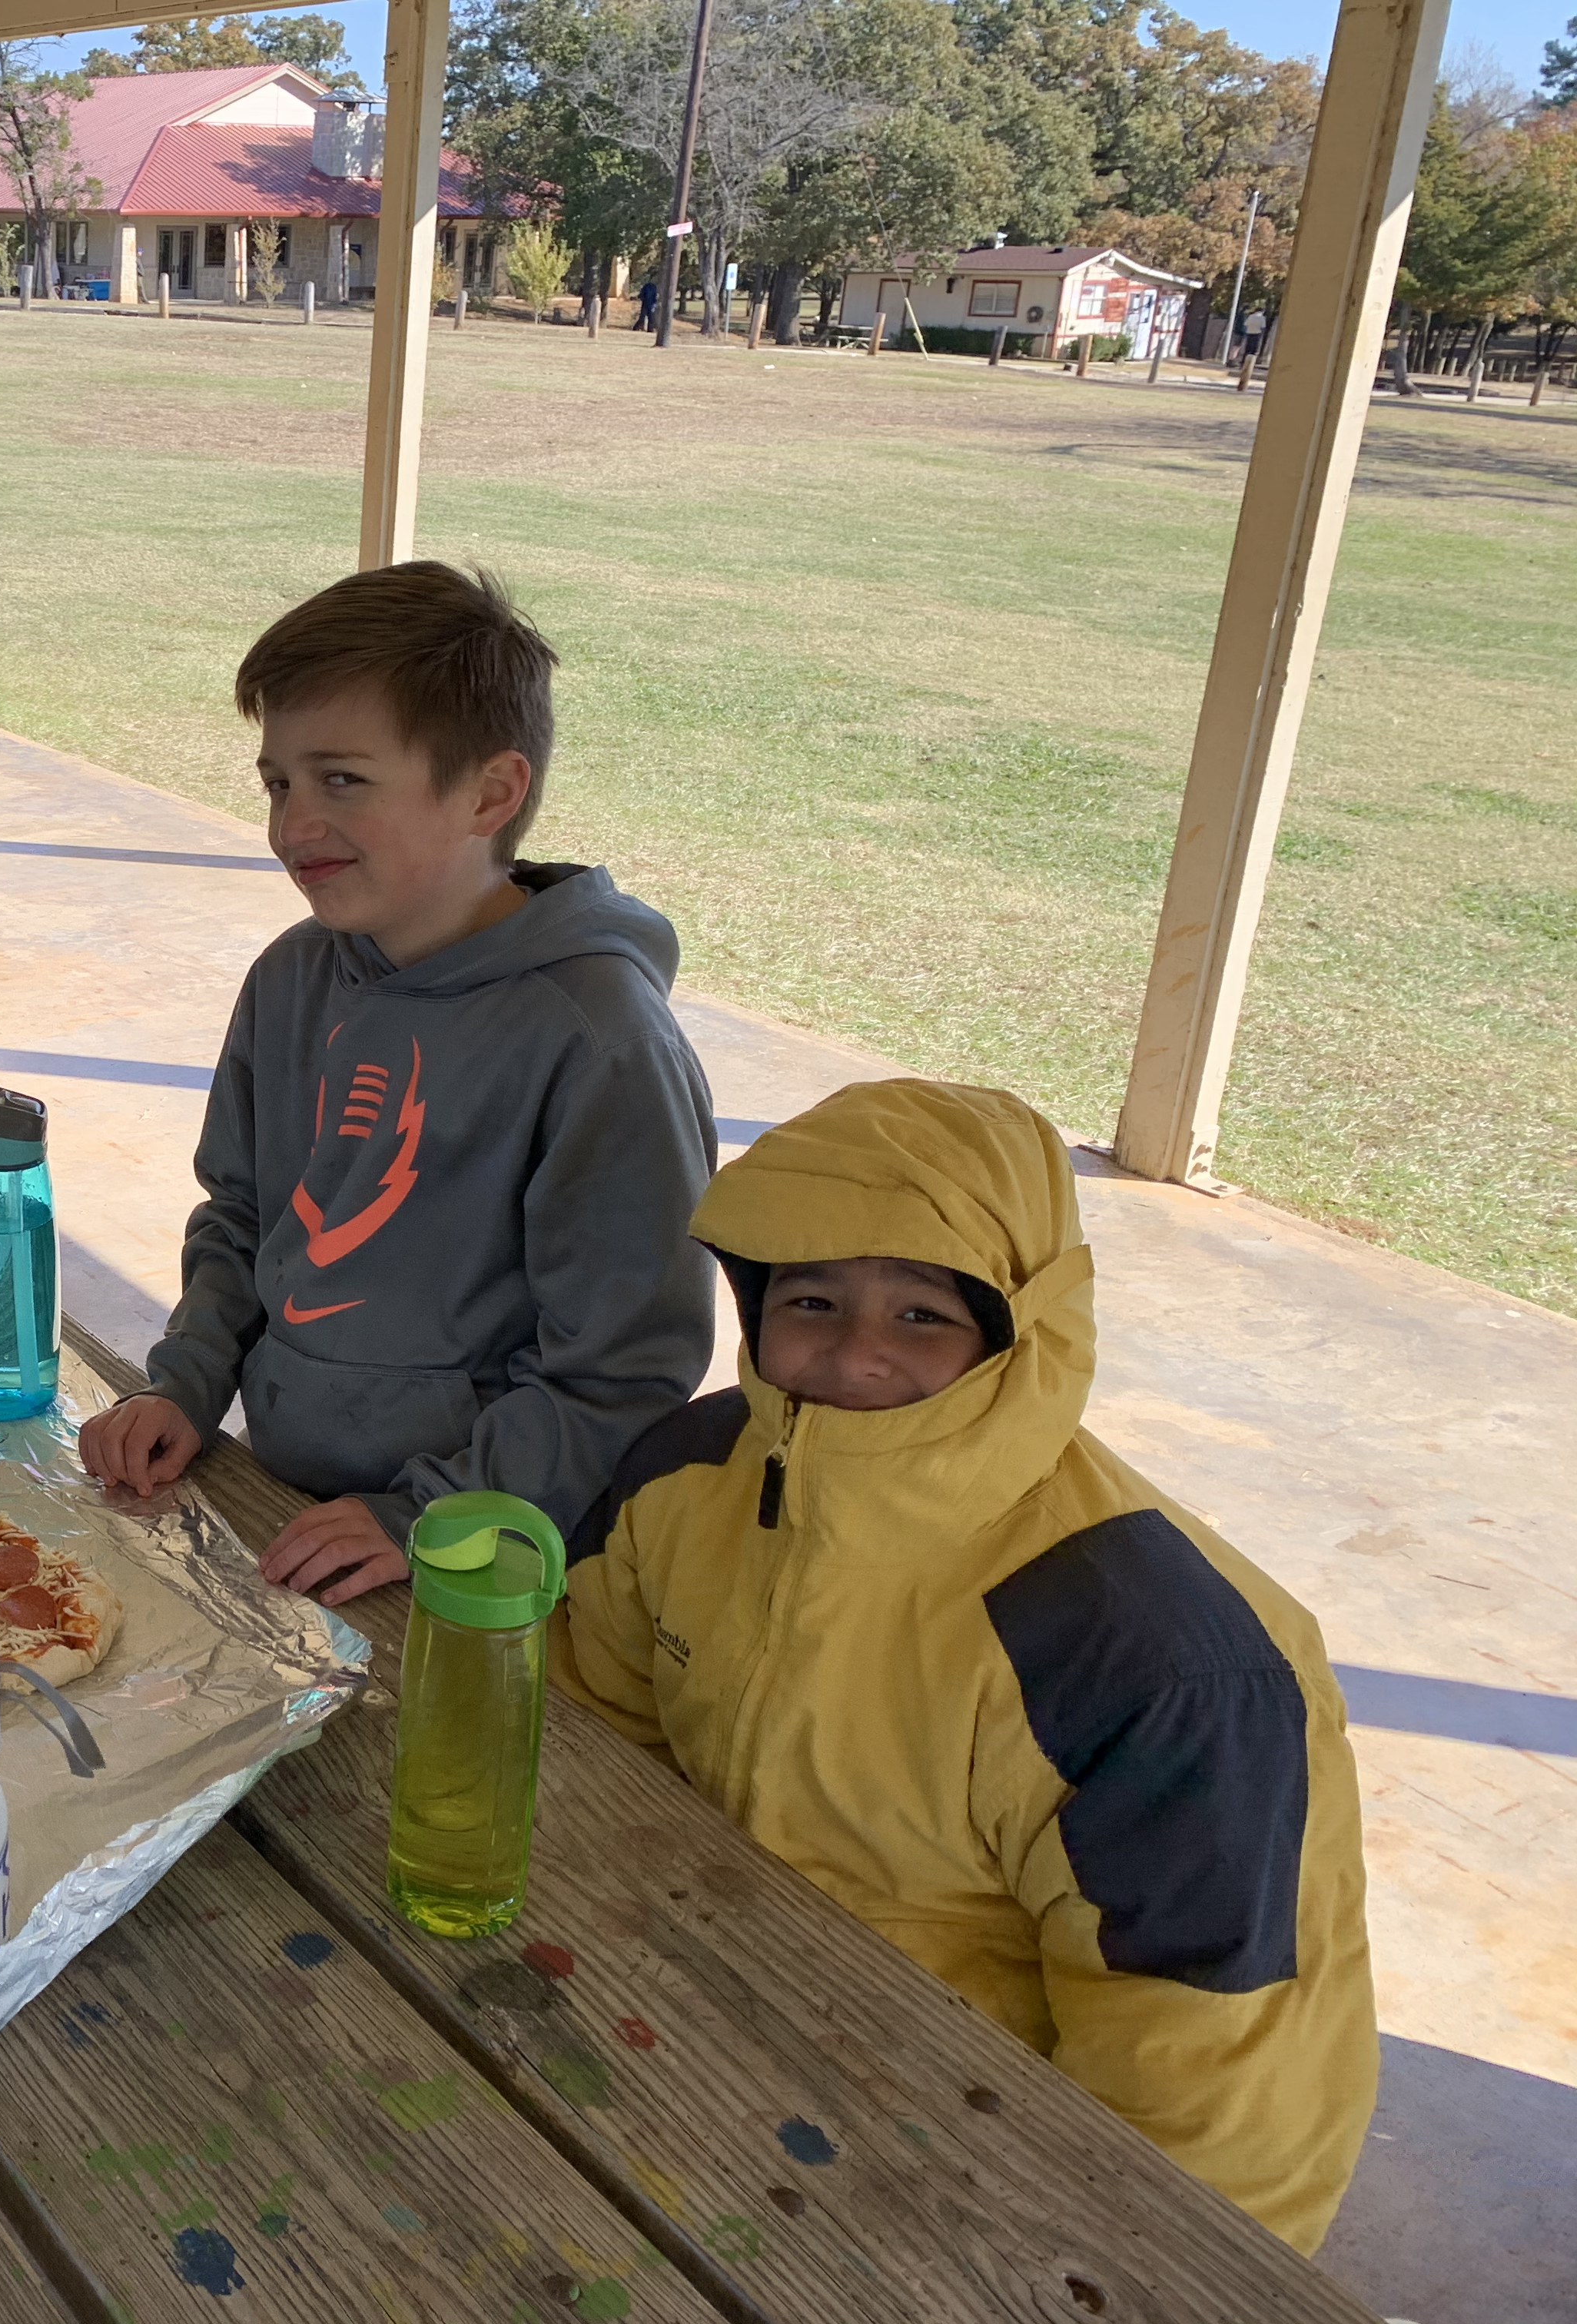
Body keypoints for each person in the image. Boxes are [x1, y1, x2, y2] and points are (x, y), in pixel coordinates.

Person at [554, 1077, 1376, 2253]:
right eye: (814, 1298)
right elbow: (595, 1736)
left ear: (1020, 1329)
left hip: (976, 2167)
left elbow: (1213, 2108)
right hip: (701, 2035)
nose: (855, 1357)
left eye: (924, 1316)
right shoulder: (689, 1474)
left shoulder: (1159, 1665)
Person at [79, 560, 715, 1604]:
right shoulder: (293, 978)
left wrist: (435, 1510)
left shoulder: (598, 1039)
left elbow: (624, 1369)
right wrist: (187, 1386)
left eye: (342, 781)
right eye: (277, 781)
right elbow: (243, 1216)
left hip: (485, 1548)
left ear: (491, 792)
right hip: (290, 1503)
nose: (292, 827)